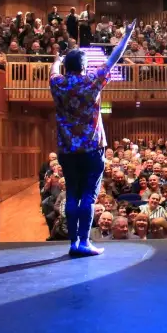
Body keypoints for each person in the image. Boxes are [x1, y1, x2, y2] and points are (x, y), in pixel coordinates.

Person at [50, 19, 137, 257]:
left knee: (73, 195)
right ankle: (84, 242)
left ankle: (72, 243)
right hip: (93, 149)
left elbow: (54, 70)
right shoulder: (91, 82)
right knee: (88, 196)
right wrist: (127, 34)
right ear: (84, 65)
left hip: (67, 150)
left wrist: (57, 59)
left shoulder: (58, 83)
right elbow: (114, 58)